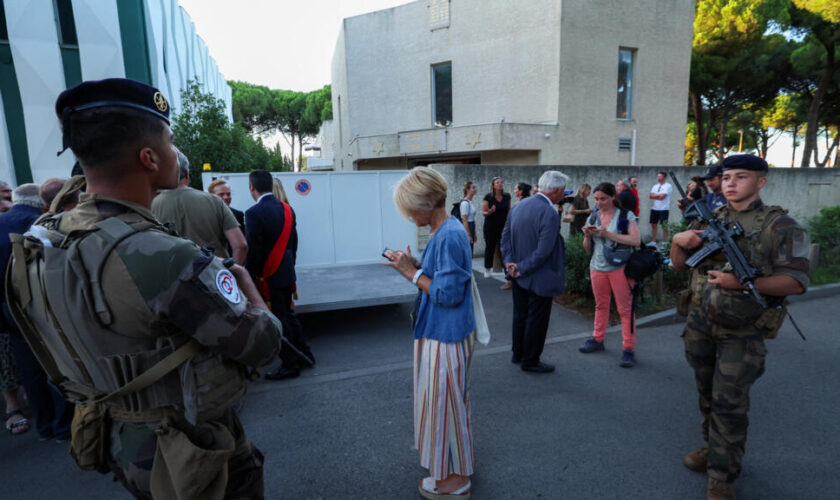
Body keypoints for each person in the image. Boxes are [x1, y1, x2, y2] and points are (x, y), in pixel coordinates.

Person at [6, 78, 283, 498]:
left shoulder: (44, 240)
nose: (175, 151)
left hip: (116, 439)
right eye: (170, 142)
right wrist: (248, 289)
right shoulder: (163, 256)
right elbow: (262, 344)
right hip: (191, 448)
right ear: (149, 157)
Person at [670, 154, 810, 500]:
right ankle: (711, 449)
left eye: (741, 177)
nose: (730, 183)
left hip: (742, 332)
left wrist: (745, 284)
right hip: (701, 323)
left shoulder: (781, 226)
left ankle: (723, 476)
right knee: (706, 395)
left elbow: (796, 282)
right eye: (727, 176)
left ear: (760, 182)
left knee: (729, 405)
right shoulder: (713, 217)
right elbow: (680, 266)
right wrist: (677, 242)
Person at [382, 167, 475, 499]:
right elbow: (443, 278)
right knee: (445, 405)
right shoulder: (445, 229)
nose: (407, 215)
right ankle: (450, 471)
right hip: (442, 333)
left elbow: (448, 294)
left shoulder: (448, 234)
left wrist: (411, 271)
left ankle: (455, 480)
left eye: (409, 207)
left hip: (445, 336)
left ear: (424, 203)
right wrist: (415, 265)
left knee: (445, 407)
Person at [0, 183, 74, 442]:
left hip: (9, 308)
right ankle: (65, 425)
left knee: (29, 368)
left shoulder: (1, 222)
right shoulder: (40, 222)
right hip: (40, 304)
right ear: (39, 202)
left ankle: (45, 426)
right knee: (56, 363)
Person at [245, 169, 314, 381]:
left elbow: (254, 252)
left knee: (279, 320)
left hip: (268, 277)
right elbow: (294, 244)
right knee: (290, 316)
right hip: (285, 272)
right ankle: (305, 355)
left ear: (252, 188)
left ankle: (290, 365)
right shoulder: (287, 209)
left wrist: (250, 277)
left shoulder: (253, 213)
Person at [500, 171, 568, 374]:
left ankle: (518, 353)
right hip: (538, 275)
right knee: (536, 320)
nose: (564, 194)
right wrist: (519, 267)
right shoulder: (549, 212)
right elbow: (544, 251)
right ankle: (530, 360)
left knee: (520, 315)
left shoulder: (519, 206)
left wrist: (510, 264)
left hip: (518, 275)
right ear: (555, 191)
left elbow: (505, 240)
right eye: (563, 190)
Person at [578, 183, 641, 367]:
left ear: (613, 197)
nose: (599, 202)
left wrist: (607, 234)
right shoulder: (594, 215)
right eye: (596, 199)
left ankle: (628, 349)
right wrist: (587, 236)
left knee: (625, 309)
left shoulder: (624, 215)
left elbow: (635, 240)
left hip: (619, 267)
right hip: (597, 266)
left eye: (603, 199)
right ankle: (597, 339)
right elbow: (587, 248)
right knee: (600, 305)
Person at [153, 152, 248, 264]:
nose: (226, 197)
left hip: (172, 276)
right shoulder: (215, 202)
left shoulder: (150, 206)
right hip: (213, 275)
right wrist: (231, 274)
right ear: (187, 174)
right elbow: (240, 245)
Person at [481, 177, 511, 278]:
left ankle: (507, 270)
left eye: (501, 182)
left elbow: (509, 211)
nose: (500, 184)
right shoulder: (488, 197)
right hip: (490, 226)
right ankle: (487, 269)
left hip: (504, 226)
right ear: (493, 185)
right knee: (490, 247)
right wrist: (489, 212)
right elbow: (484, 212)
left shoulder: (507, 196)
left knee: (505, 248)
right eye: (497, 182)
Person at [649, 171, 673, 246]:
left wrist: (655, 195)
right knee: (653, 224)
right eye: (658, 176)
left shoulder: (668, 186)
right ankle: (653, 241)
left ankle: (665, 242)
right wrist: (658, 195)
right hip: (654, 208)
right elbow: (650, 196)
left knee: (664, 225)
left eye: (660, 176)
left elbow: (662, 197)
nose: (658, 178)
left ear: (664, 177)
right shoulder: (655, 186)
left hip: (664, 209)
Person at [459, 181, 478, 253]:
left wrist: (474, 233)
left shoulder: (470, 202)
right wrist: (468, 234)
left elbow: (472, 218)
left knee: (470, 251)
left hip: (471, 226)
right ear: (467, 190)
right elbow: (464, 220)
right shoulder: (465, 203)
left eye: (475, 187)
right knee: (467, 251)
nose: (475, 189)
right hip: (467, 227)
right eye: (473, 187)